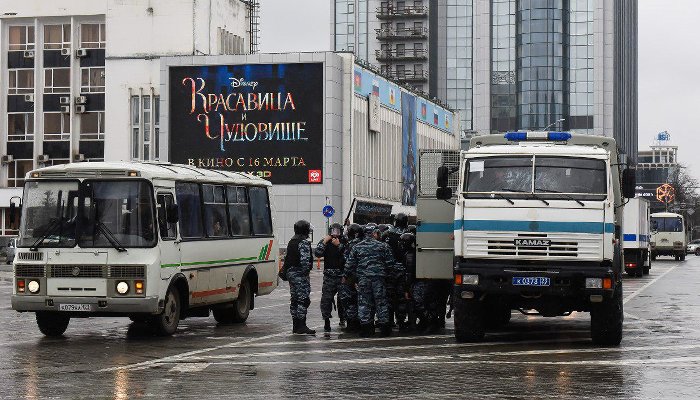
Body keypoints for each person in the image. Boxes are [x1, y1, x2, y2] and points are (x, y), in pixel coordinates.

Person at [346, 225, 395, 337]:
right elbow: (390, 264)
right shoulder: (383, 246)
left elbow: (349, 265)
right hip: (379, 279)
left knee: (364, 303)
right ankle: (384, 329)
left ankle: (367, 329)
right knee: (381, 303)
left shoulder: (357, 247)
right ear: (374, 233)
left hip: (363, 279)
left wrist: (347, 276)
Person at [283, 220, 316, 335]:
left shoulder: (291, 241)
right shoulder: (303, 243)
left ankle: (295, 325)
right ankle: (302, 325)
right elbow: (305, 262)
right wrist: (305, 274)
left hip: (291, 274)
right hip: (300, 275)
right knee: (303, 299)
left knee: (295, 299)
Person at [314, 223, 345, 332]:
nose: (335, 234)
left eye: (337, 231)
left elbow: (349, 255)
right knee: (326, 299)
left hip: (342, 276)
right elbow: (317, 254)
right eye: (333, 231)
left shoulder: (344, 241)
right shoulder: (325, 242)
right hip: (329, 276)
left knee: (343, 299)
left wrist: (339, 245)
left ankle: (343, 319)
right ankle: (326, 320)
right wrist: (324, 242)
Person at [340, 223, 363, 333]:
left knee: (349, 301)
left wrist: (345, 275)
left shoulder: (351, 244)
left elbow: (347, 260)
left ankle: (351, 324)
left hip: (351, 276)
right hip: (363, 276)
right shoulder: (365, 242)